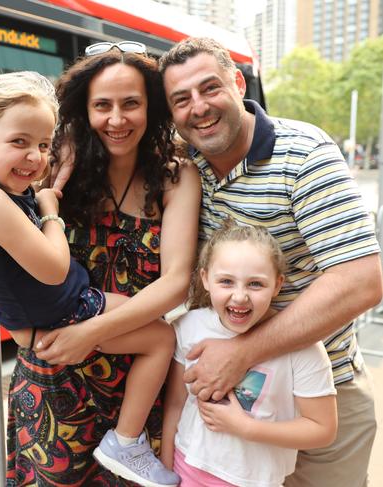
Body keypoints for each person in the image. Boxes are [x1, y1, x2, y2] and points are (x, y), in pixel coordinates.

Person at [0, 70, 184, 487]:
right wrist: (50, 211)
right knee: (162, 338)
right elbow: (55, 268)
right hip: (69, 316)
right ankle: (127, 442)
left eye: (42, 144)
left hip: (59, 324)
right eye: (20, 142)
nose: (36, 157)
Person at [159, 36, 382, 487]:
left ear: (238, 83)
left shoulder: (304, 153)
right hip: (221, 407)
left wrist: (242, 354)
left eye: (210, 88)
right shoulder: (182, 167)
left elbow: (362, 279)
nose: (198, 107)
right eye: (181, 99)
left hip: (319, 396)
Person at [7, 44, 201, 485]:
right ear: (82, 110)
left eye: (131, 103)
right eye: (102, 106)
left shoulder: (176, 175)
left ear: (152, 107)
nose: (117, 120)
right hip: (54, 382)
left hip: (136, 389)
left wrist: (90, 333)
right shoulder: (54, 167)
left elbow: (175, 283)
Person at [163, 219, 337, 487]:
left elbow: (323, 429)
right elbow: (175, 404)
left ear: (278, 285)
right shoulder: (189, 326)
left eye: (255, 284)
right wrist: (165, 471)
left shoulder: (303, 348)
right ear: (205, 279)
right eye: (226, 282)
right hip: (186, 466)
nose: (240, 296)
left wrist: (247, 428)